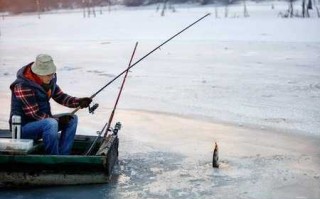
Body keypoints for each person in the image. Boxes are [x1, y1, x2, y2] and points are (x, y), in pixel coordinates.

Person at [9, 54, 92, 155]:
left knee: (72, 119)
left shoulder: (48, 80)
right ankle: (53, 157)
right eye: (49, 75)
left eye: (53, 74)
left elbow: (61, 97)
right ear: (38, 73)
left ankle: (63, 156)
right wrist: (58, 121)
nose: (52, 77)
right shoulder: (22, 86)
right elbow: (34, 114)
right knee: (51, 124)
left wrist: (79, 102)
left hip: (44, 123)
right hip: (23, 129)